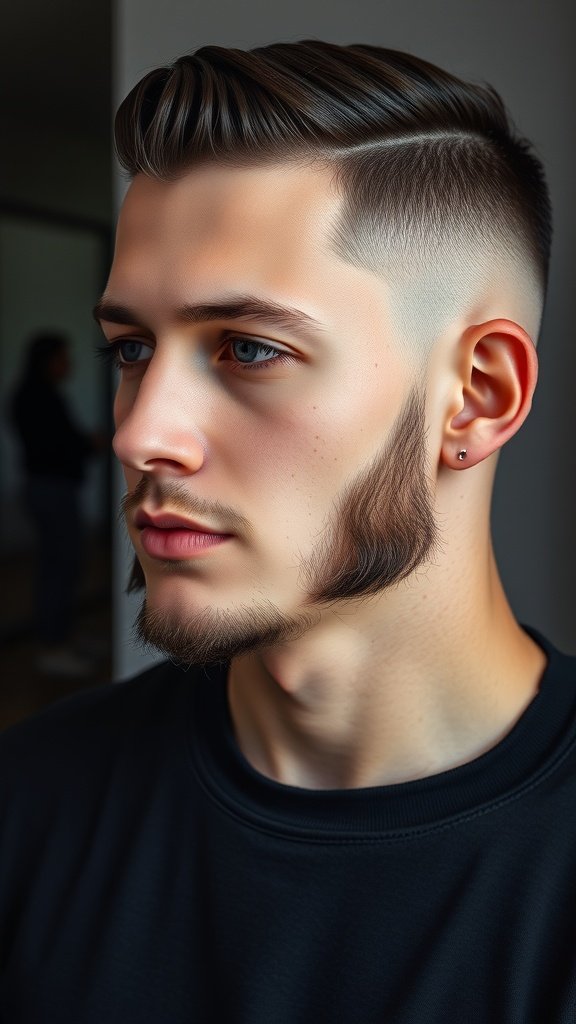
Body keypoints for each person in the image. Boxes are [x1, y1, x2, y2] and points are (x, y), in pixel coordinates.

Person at [1, 40, 574, 1023]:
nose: (140, 434)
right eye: (132, 348)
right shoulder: (25, 805)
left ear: (476, 398)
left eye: (250, 348)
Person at [9, 331, 100, 675]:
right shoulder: (37, 399)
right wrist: (88, 444)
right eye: (63, 358)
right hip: (51, 490)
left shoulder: (39, 396)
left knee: (63, 564)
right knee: (59, 566)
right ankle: (52, 645)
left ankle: (63, 636)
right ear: (47, 361)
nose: (69, 365)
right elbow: (55, 447)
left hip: (49, 489)